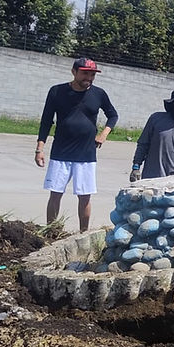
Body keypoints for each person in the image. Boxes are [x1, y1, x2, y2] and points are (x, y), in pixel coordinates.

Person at [36, 57, 118, 232]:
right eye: (85, 73)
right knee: (55, 194)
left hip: (86, 155)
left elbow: (113, 115)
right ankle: (51, 231)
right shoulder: (57, 92)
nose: (89, 77)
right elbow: (46, 121)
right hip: (61, 153)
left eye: (92, 74)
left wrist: (104, 134)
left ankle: (83, 234)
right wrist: (40, 148)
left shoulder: (99, 94)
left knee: (85, 196)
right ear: (74, 72)